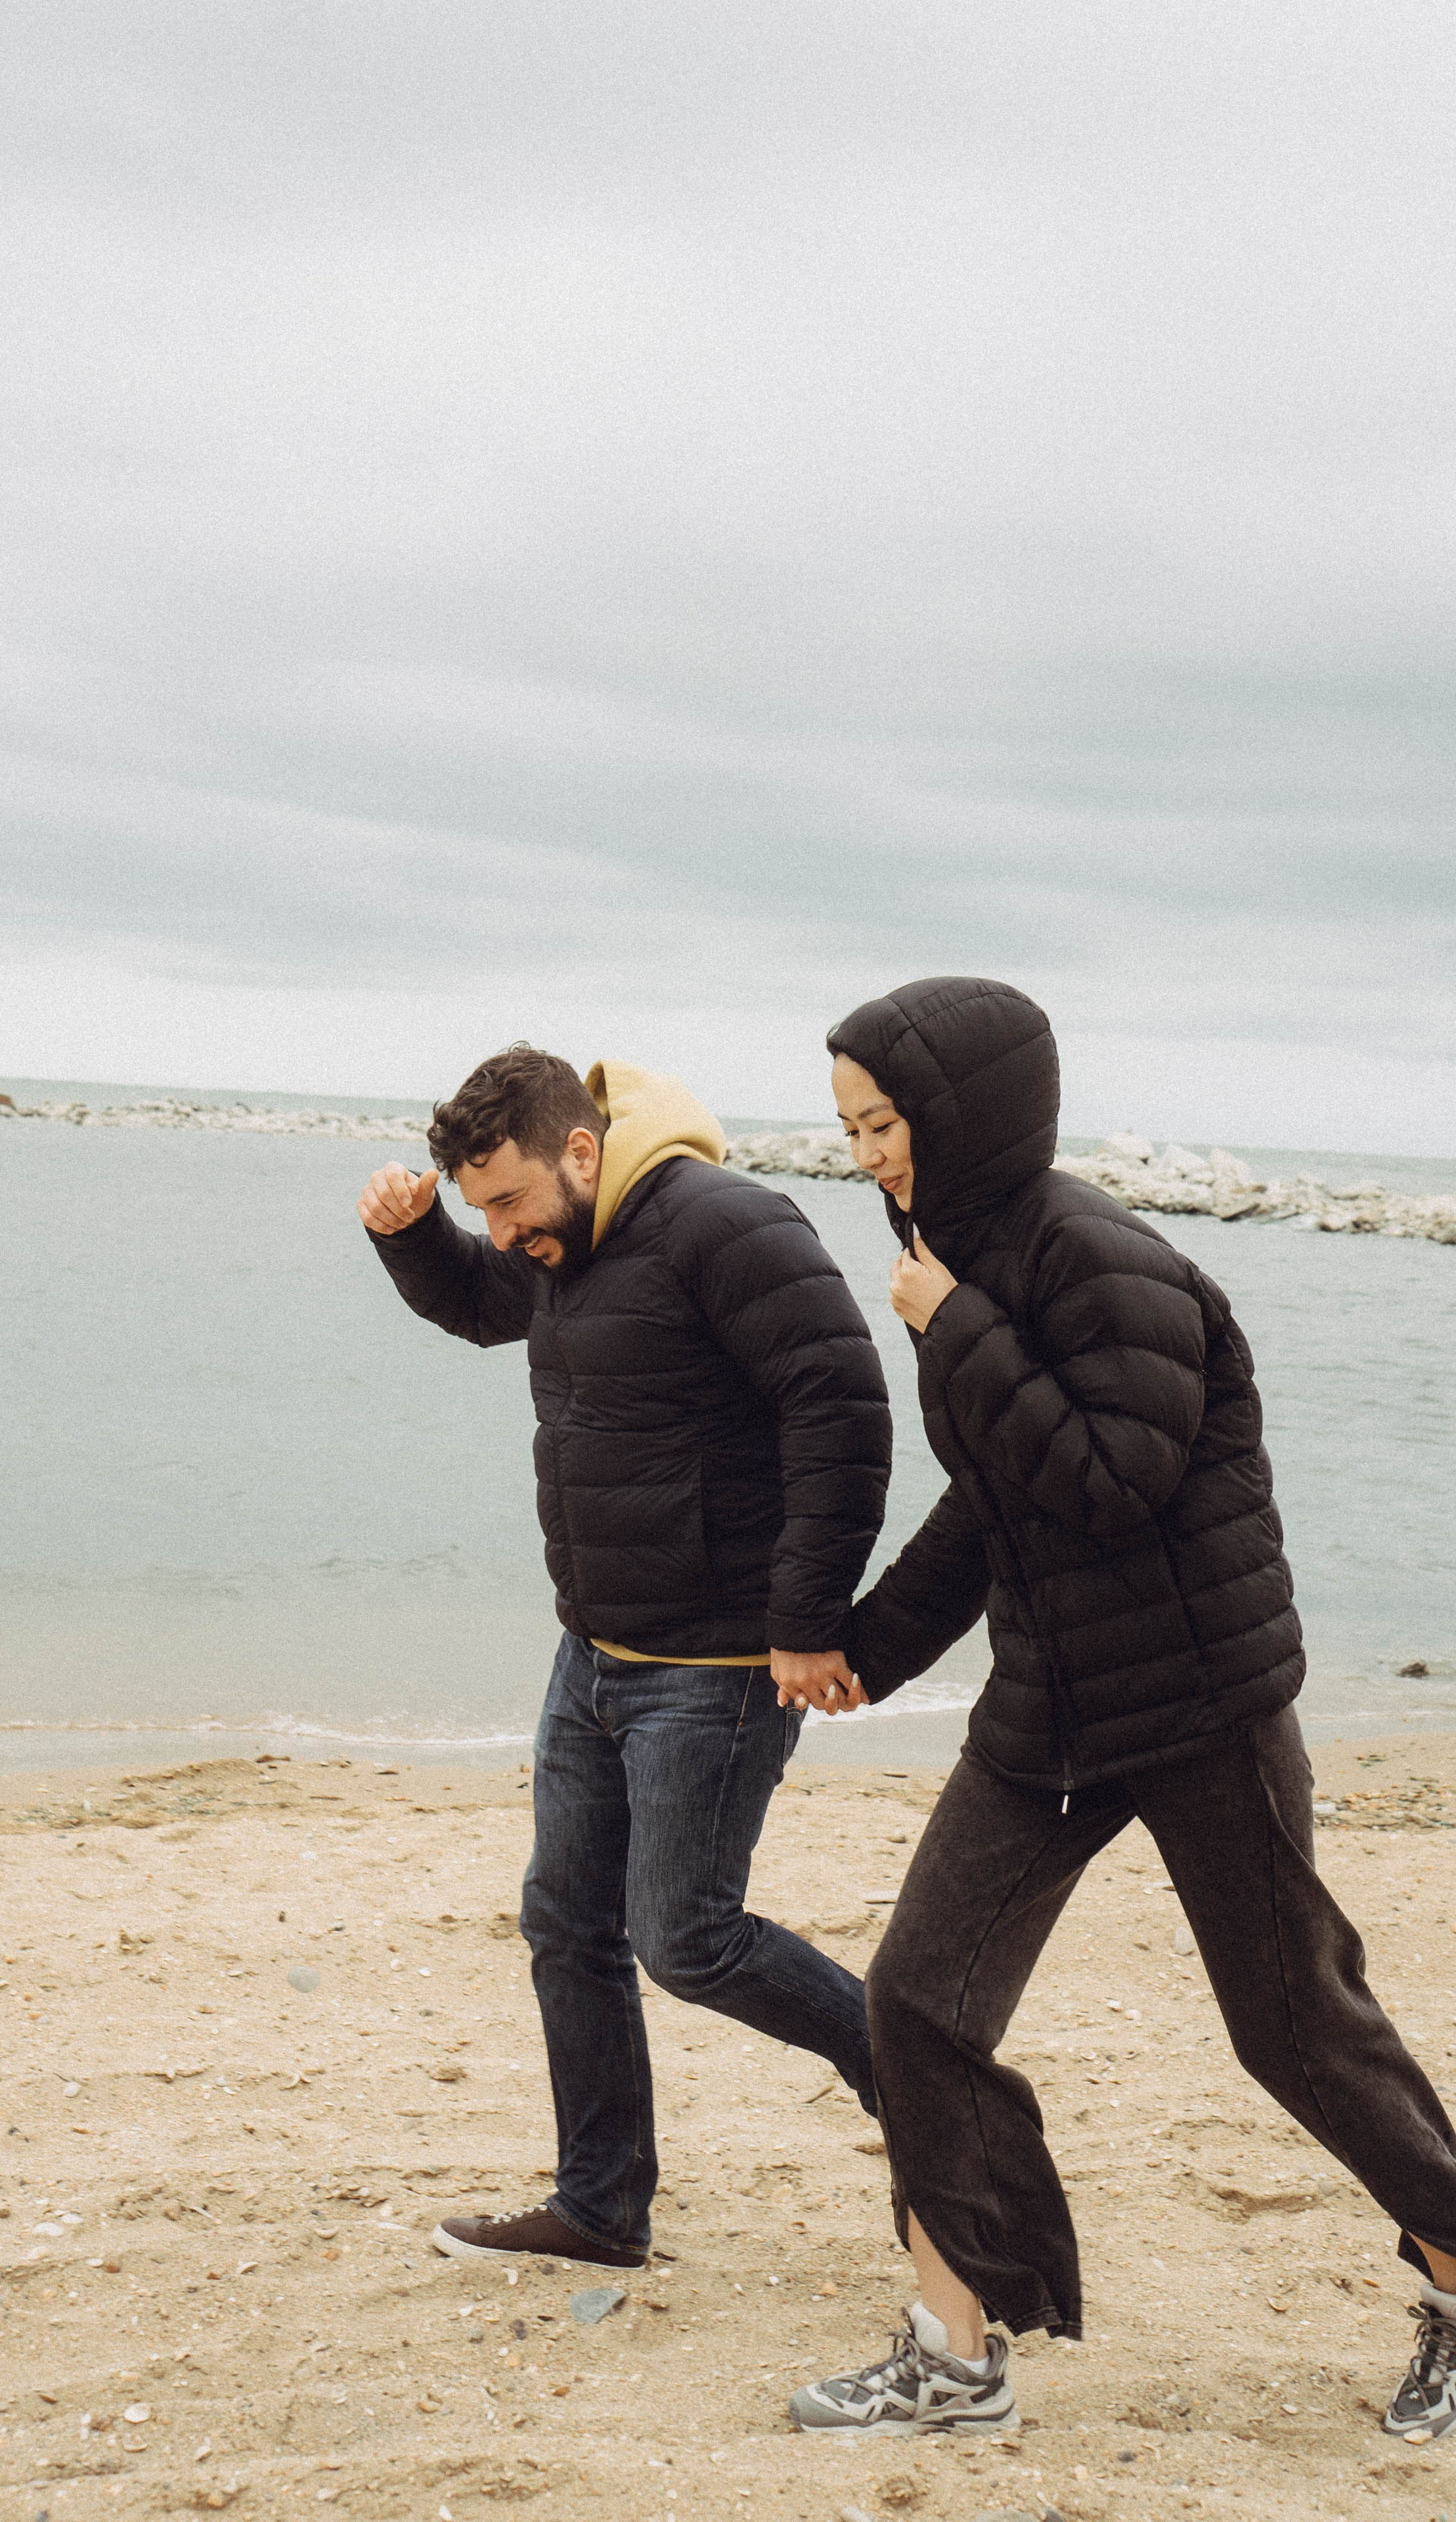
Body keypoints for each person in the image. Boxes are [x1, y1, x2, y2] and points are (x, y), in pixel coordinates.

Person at [788, 973, 1456, 2443]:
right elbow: (993, 1500)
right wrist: (867, 1649)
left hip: (1198, 1702)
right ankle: (954, 2357)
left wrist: (956, 1328)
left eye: (883, 1121)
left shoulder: (1099, 1260)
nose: (864, 1155)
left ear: (960, 1111)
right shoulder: (951, 1252)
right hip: (1050, 1706)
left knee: (1291, 2026)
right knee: (917, 2002)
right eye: (846, 1127)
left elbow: (1109, 1484)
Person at [359, 1044, 891, 2270]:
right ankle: (601, 2209)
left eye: (506, 1202)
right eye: (478, 1205)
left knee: (688, 1935)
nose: (496, 1231)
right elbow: (489, 1307)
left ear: (581, 1151)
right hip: (593, 1651)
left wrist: (807, 1617)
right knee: (567, 1921)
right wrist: (415, 1238)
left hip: (714, 1667)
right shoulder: (560, 1248)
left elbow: (844, 1406)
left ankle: (916, 2074)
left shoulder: (726, 1225)